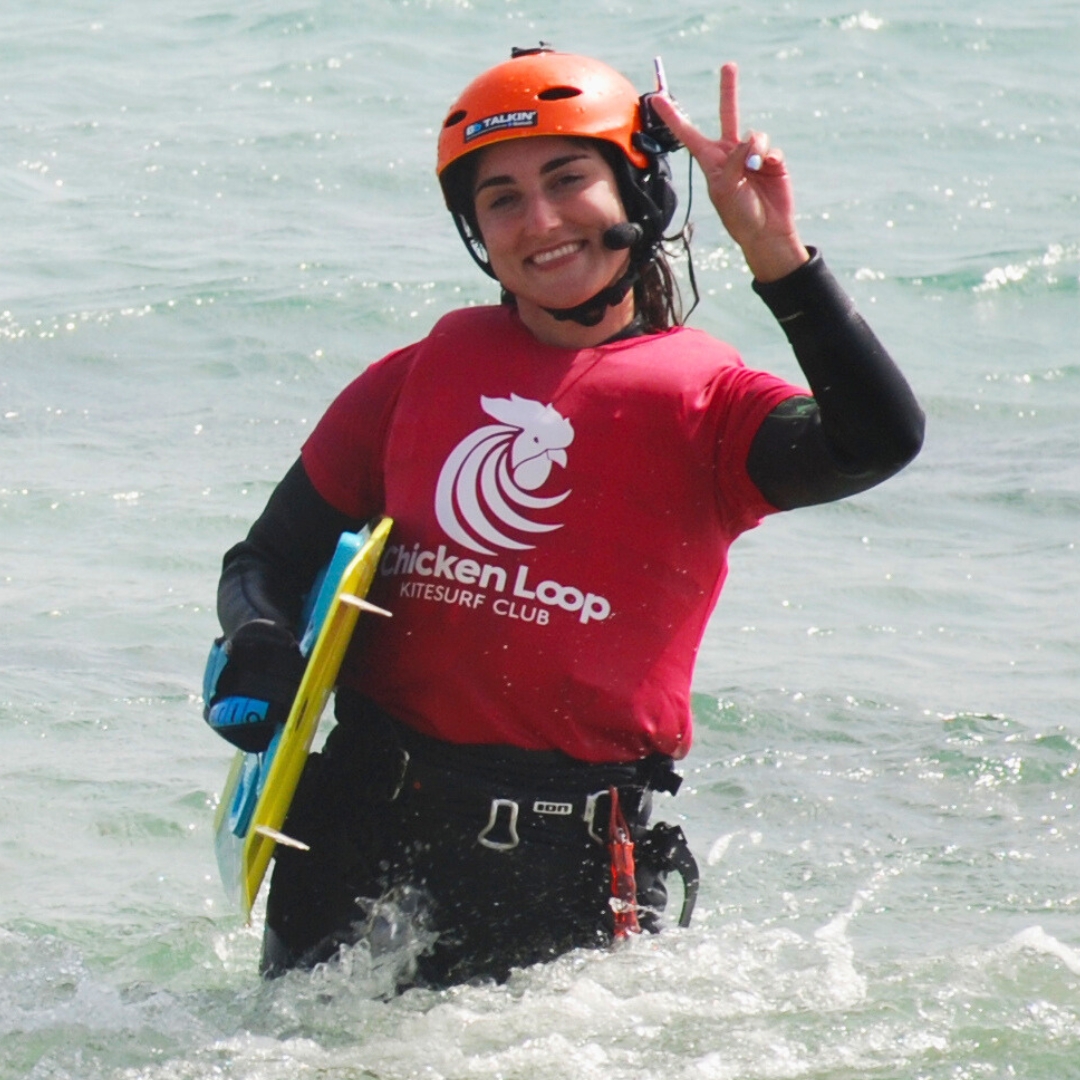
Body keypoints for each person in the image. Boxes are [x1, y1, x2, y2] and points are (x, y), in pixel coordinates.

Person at [203, 46, 924, 989]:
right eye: (500, 198)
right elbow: (267, 558)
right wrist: (258, 636)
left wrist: (776, 258)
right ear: (476, 232)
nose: (539, 220)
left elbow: (876, 439)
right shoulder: (417, 376)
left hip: (573, 871)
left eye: (567, 178)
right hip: (354, 836)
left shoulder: (707, 403)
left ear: (639, 193)